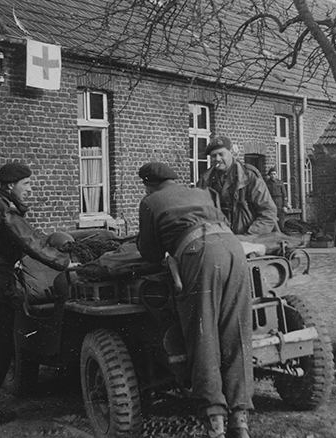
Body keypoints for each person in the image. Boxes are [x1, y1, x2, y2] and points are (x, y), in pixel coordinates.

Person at [0, 162, 78, 427]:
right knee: (0, 349)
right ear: (11, 185)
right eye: (27, 184)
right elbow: (29, 241)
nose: (30, 190)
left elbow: (27, 236)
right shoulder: (3, 209)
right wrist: (64, 262)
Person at [137, 162, 253, 438]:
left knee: (203, 335)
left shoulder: (150, 202)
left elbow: (150, 254)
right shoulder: (202, 193)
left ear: (148, 184)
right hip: (234, 249)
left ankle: (214, 418)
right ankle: (240, 417)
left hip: (200, 254)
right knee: (236, 332)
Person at [197, 136, 278, 235]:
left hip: (247, 237)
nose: (217, 159)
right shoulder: (205, 180)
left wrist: (250, 235)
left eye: (221, 154)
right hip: (219, 237)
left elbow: (269, 212)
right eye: (213, 156)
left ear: (231, 153)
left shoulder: (248, 177)